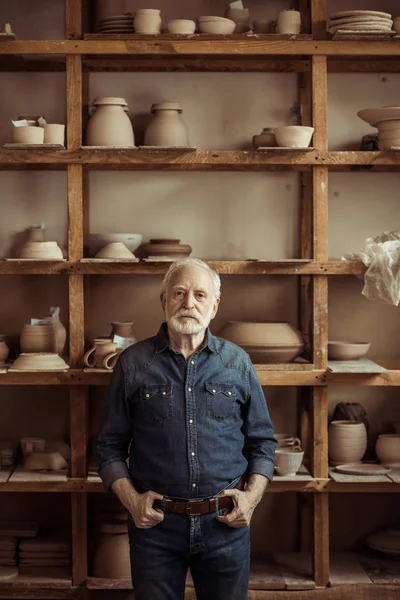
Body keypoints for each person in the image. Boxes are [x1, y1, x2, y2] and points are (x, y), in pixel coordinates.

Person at [94, 258, 277, 600]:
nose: (189, 303)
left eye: (199, 294)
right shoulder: (133, 364)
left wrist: (251, 499)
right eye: (179, 293)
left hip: (225, 523)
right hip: (156, 528)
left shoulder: (237, 363)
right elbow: (108, 446)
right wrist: (133, 503)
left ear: (214, 304)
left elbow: (263, 443)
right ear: (164, 300)